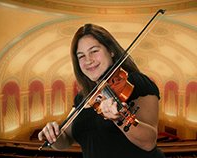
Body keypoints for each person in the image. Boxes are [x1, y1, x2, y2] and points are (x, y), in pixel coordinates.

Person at [38, 23, 166, 158]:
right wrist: (52, 134)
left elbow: (149, 142)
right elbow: (65, 141)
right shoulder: (83, 97)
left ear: (111, 51)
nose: (88, 60)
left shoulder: (134, 82)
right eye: (81, 56)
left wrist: (118, 120)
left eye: (94, 51)